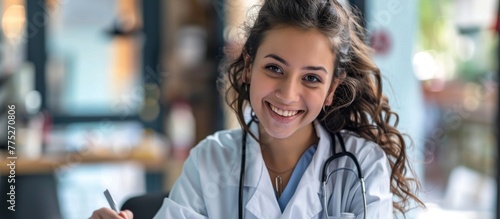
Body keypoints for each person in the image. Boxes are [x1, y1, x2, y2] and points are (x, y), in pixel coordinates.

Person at [90, 0, 424, 218]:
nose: (287, 94)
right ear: (249, 67)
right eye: (274, 69)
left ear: (330, 91)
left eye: (311, 78)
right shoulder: (211, 160)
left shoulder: (362, 167)